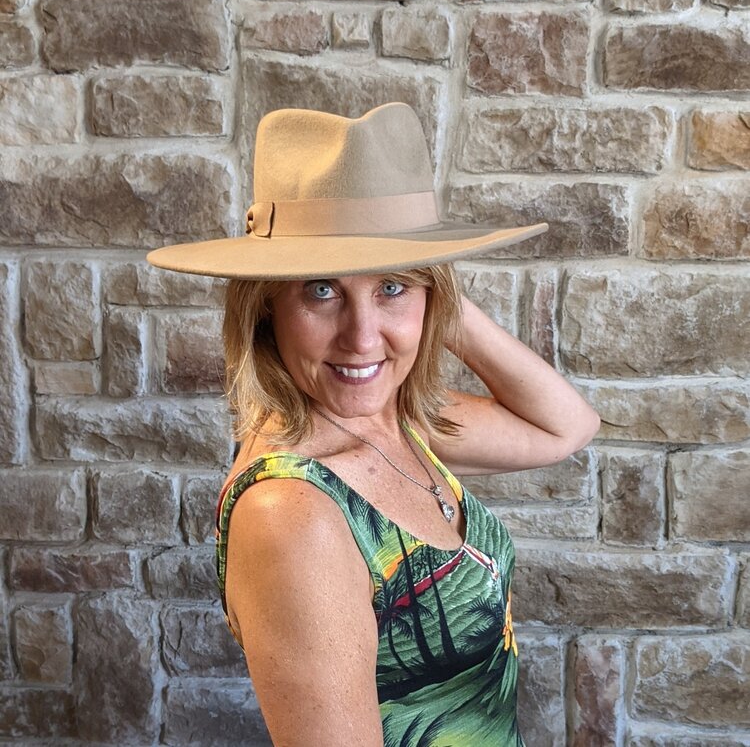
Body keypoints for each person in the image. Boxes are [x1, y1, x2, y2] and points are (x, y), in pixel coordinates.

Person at [147, 102, 600, 746]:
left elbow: (567, 427)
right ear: (267, 306)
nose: (362, 339)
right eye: (321, 290)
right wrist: (404, 281)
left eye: (391, 288)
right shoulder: (292, 514)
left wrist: (432, 288)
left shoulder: (393, 423)